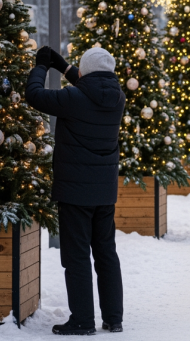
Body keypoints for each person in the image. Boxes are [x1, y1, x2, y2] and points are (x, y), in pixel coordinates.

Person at [26, 46, 126, 335]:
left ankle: (83, 321)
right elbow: (88, 86)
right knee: (106, 253)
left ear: (85, 71)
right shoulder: (117, 97)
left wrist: (42, 66)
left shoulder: (73, 98)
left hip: (75, 192)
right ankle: (113, 318)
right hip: (105, 192)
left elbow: (35, 95)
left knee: (77, 256)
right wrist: (63, 65)